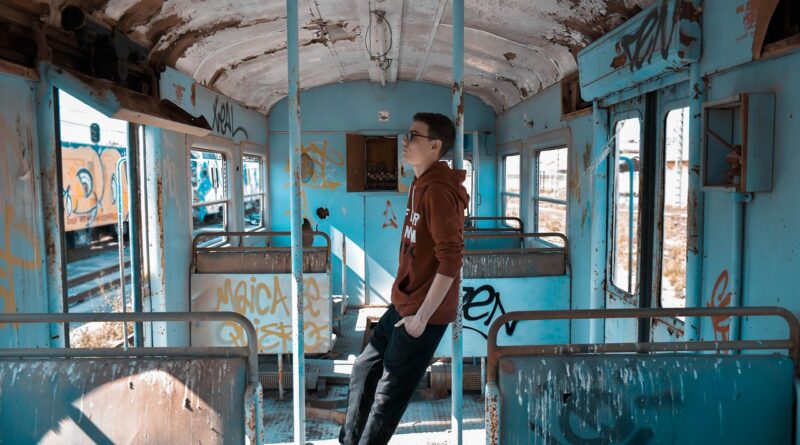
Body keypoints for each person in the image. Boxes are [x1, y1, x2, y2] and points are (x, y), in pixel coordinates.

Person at [340, 113, 469, 445]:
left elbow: (451, 258)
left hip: (422, 314)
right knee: (364, 369)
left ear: (435, 146)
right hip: (403, 304)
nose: (405, 142)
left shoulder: (438, 191)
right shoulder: (419, 183)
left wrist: (421, 318)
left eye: (413, 136)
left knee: (388, 394)